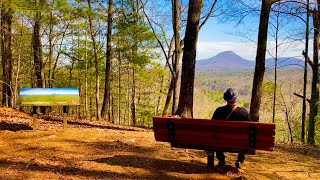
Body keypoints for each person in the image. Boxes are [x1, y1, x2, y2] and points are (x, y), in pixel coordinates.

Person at [211, 88, 251, 169]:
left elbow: (212, 127)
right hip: (239, 142)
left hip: (221, 141)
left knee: (218, 137)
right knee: (244, 139)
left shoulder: (219, 111)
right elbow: (250, 129)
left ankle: (221, 159)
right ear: (236, 98)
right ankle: (240, 160)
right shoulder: (244, 112)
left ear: (225, 98)